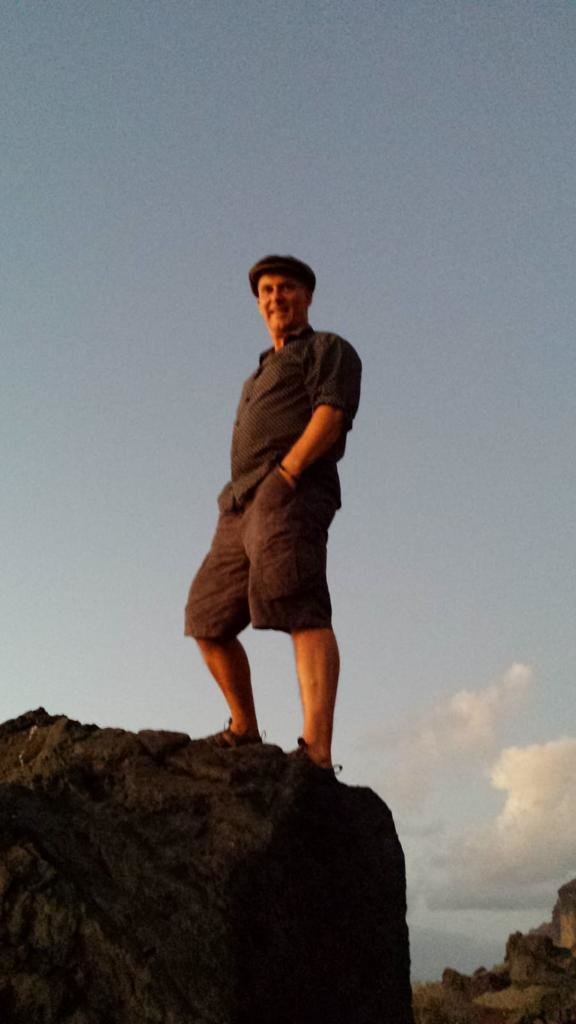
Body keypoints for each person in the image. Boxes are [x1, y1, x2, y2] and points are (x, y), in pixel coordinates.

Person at [185, 255, 361, 770]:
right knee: (206, 618)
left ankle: (317, 752)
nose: (275, 297)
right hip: (239, 502)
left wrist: (287, 474)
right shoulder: (258, 372)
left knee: (299, 603)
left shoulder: (327, 348)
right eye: (266, 290)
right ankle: (244, 727)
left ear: (307, 296)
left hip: (291, 489)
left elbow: (332, 413)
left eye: (286, 287)